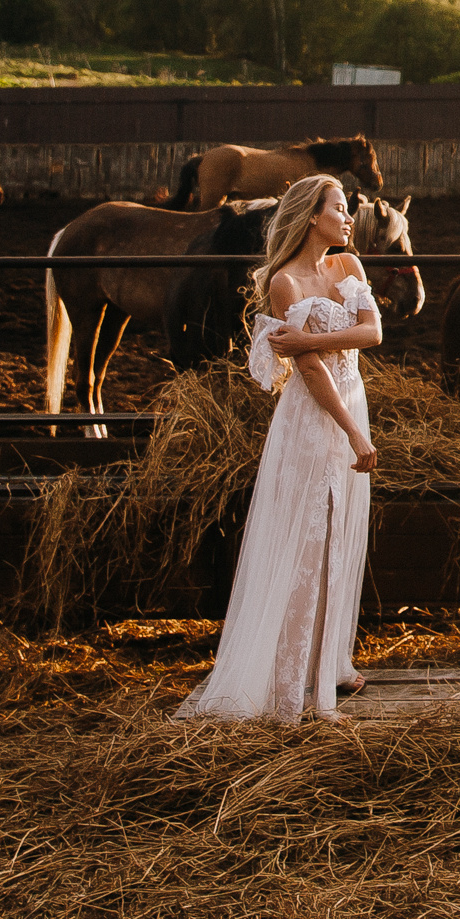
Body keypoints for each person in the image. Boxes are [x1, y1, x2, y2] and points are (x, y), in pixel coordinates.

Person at [175, 174, 381, 722]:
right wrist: (353, 433)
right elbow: (308, 371)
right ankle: (294, 689)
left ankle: (328, 661)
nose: (348, 217)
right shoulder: (285, 282)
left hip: (352, 396)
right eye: (340, 208)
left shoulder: (350, 268)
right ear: (312, 216)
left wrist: (309, 339)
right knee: (309, 539)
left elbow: (371, 335)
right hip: (316, 416)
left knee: (339, 533)